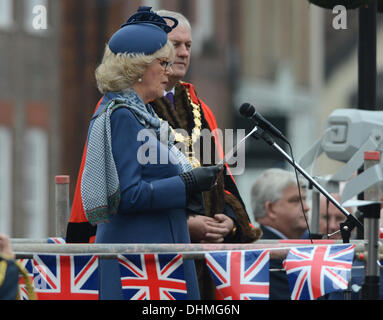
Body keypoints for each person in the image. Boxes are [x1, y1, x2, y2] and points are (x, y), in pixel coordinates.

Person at [79, 7, 228, 300]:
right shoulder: (122, 115)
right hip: (139, 264)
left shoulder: (141, 113)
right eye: (162, 62)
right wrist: (187, 183)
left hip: (158, 257)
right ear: (137, 68)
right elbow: (128, 194)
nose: (169, 70)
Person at [251, 168, 310, 299]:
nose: (306, 207)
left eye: (305, 199)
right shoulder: (261, 256)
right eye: (295, 200)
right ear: (271, 209)